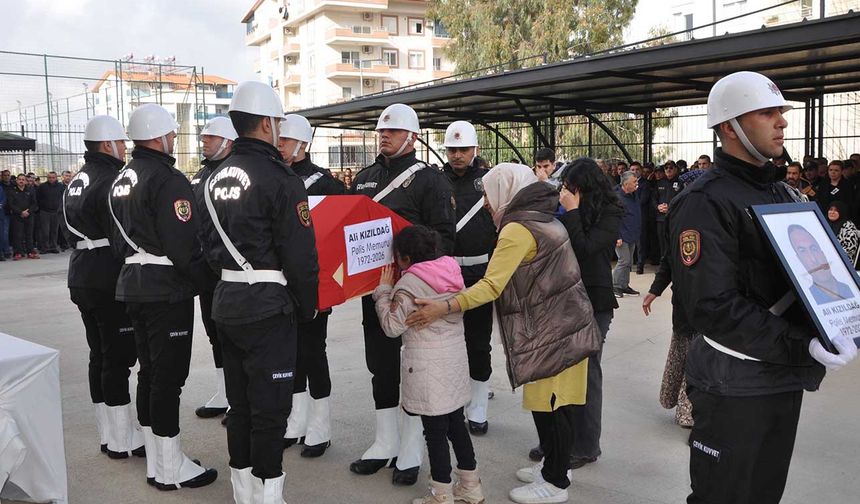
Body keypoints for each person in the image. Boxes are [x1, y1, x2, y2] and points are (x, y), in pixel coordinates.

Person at [670, 71, 857, 504]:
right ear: (729, 127)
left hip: (779, 377)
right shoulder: (705, 201)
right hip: (733, 383)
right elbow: (712, 306)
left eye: (781, 112)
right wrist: (802, 344)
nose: (782, 122)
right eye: (767, 112)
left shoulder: (782, 192)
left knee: (764, 493)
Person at [408, 163, 600, 504]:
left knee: (552, 407)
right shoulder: (543, 216)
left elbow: (491, 285)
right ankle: (554, 467)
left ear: (505, 191)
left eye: (487, 194)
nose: (485, 202)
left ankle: (555, 483)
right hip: (566, 323)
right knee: (558, 405)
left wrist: (445, 306)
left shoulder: (517, 229)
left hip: (550, 330)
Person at [201, 81, 319, 503]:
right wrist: (308, 307)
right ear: (268, 123)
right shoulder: (281, 179)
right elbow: (301, 258)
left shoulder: (212, 180)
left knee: (241, 406)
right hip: (268, 307)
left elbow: (204, 247)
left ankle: (243, 493)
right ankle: (269, 496)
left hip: (226, 303)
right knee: (270, 410)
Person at [109, 103, 217, 490]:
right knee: (168, 379)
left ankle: (158, 461)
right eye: (171, 133)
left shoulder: (123, 178)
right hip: (165, 289)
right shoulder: (168, 180)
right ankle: (171, 469)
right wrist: (209, 282)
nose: (174, 138)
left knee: (150, 374)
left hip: (133, 285)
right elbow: (184, 245)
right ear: (159, 136)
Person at [349, 103, 456, 486]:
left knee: (413, 367)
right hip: (374, 287)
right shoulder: (364, 177)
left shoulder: (431, 181)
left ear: (412, 135)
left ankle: (411, 449)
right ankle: (385, 440)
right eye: (382, 130)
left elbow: (445, 237)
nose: (385, 135)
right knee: (380, 363)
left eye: (393, 131)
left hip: (413, 290)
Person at [372, 225, 484, 504]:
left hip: (426, 366)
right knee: (456, 424)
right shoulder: (451, 271)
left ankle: (441, 493)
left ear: (404, 258)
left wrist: (383, 292)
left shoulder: (408, 285)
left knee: (434, 432)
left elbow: (391, 326)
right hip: (455, 361)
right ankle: (471, 487)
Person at [65, 115, 142, 458]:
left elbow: (61, 233)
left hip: (81, 273)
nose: (125, 148)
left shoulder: (76, 181)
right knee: (118, 358)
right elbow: (122, 232)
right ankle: (123, 437)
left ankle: (108, 432)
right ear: (108, 144)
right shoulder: (112, 179)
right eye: (122, 142)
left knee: (99, 354)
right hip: (107, 275)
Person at [543, 158, 623, 469]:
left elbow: (586, 248)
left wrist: (573, 212)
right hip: (560, 297)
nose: (565, 192)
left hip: (593, 301)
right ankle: (555, 439)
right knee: (556, 371)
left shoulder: (610, 213)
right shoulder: (561, 209)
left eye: (571, 188)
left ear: (585, 188)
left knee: (587, 374)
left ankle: (587, 445)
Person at [277, 113, 345, 458]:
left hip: (316, 282)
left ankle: (321, 426)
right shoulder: (274, 176)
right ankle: (296, 420)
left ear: (302, 144)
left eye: (285, 140)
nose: (279, 145)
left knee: (313, 353)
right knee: (290, 353)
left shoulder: (326, 183)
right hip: (280, 281)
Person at [441, 120, 496, 436]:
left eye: (463, 149)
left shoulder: (490, 181)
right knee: (448, 343)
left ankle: (477, 407)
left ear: (475, 149)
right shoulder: (435, 181)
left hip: (479, 274)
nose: (457, 155)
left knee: (478, 342)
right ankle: (452, 401)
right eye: (452, 149)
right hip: (445, 274)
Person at [190, 116, 237, 422]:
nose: (204, 140)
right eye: (204, 136)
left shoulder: (235, 173)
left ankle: (237, 397)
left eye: (210, 136)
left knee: (232, 336)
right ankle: (224, 392)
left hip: (232, 268)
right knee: (213, 334)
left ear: (228, 141)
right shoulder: (200, 175)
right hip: (206, 268)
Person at [787, 224, 854, 304]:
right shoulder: (809, 299)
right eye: (803, 251)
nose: (813, 259)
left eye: (814, 249)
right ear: (800, 259)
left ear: (823, 253)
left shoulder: (851, 289)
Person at [612, 171, 640, 298]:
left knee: (629, 261)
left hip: (631, 233)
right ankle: (615, 285)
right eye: (634, 182)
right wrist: (617, 236)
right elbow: (613, 218)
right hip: (621, 235)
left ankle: (624, 285)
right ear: (626, 183)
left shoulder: (633, 195)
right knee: (624, 260)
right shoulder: (617, 197)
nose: (636, 184)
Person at [652, 162, 682, 264]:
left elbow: (682, 200)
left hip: (674, 218)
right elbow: (654, 198)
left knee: (674, 241)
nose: (668, 170)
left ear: (675, 169)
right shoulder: (659, 183)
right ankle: (663, 264)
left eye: (671, 168)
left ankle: (674, 264)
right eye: (666, 168)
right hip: (661, 218)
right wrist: (658, 207)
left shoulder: (680, 183)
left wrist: (670, 207)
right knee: (662, 242)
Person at [7, 174, 39, 260]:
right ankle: (18, 253)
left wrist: (28, 212)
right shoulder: (12, 191)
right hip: (17, 216)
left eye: (23, 179)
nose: (21, 181)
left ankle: (30, 252)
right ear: (16, 180)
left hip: (29, 215)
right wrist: (20, 212)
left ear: (25, 181)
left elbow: (34, 203)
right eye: (19, 179)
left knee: (29, 235)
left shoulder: (30, 190)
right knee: (17, 235)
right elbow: (11, 204)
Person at [35, 171, 64, 253]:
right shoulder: (42, 187)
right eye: (49, 177)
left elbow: (63, 198)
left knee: (54, 231)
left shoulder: (60, 187)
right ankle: (44, 248)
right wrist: (41, 207)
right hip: (45, 212)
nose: (51, 179)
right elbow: (37, 198)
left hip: (56, 212)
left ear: (56, 178)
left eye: (53, 177)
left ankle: (53, 247)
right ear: (47, 178)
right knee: (45, 231)